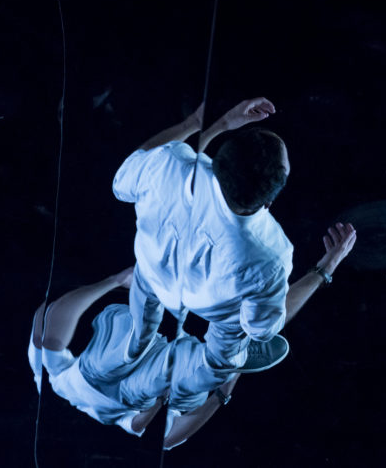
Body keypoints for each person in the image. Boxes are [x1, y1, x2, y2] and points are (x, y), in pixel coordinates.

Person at [28, 223, 356, 449]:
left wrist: (114, 280)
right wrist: (221, 393)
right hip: (138, 390)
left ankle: (226, 354)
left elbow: (48, 327)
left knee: (133, 348)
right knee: (179, 373)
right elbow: (162, 436)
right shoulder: (103, 408)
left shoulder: (58, 381)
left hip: (112, 379)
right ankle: (232, 355)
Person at [112, 97, 302, 413]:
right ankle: (213, 368)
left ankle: (135, 350)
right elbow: (261, 329)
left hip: (151, 271)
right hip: (212, 309)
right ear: (269, 199)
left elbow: (122, 183)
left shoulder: (170, 164)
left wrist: (208, 125)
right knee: (228, 350)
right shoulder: (274, 253)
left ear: (217, 161)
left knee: (142, 312)